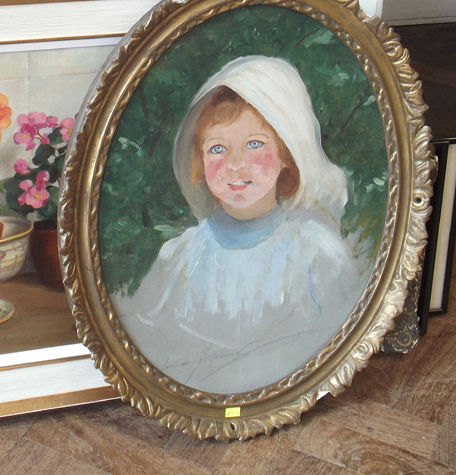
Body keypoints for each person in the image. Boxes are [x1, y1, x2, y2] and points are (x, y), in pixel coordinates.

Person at [112, 55, 370, 394]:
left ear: (286, 155)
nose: (235, 165)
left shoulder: (315, 252)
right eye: (218, 148)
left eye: (255, 145)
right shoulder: (179, 258)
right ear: (199, 162)